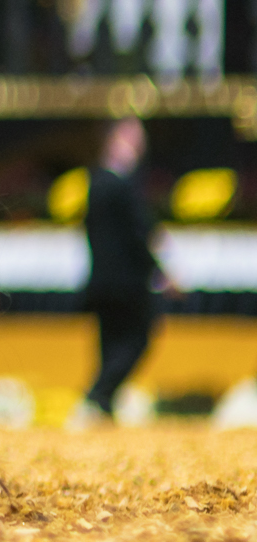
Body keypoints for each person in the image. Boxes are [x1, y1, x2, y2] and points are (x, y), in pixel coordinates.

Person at [78, 116, 175, 423]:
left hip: (101, 281)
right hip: (127, 283)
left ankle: (102, 405)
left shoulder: (95, 182)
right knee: (138, 337)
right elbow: (139, 235)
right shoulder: (121, 185)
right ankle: (98, 396)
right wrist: (160, 272)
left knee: (110, 344)